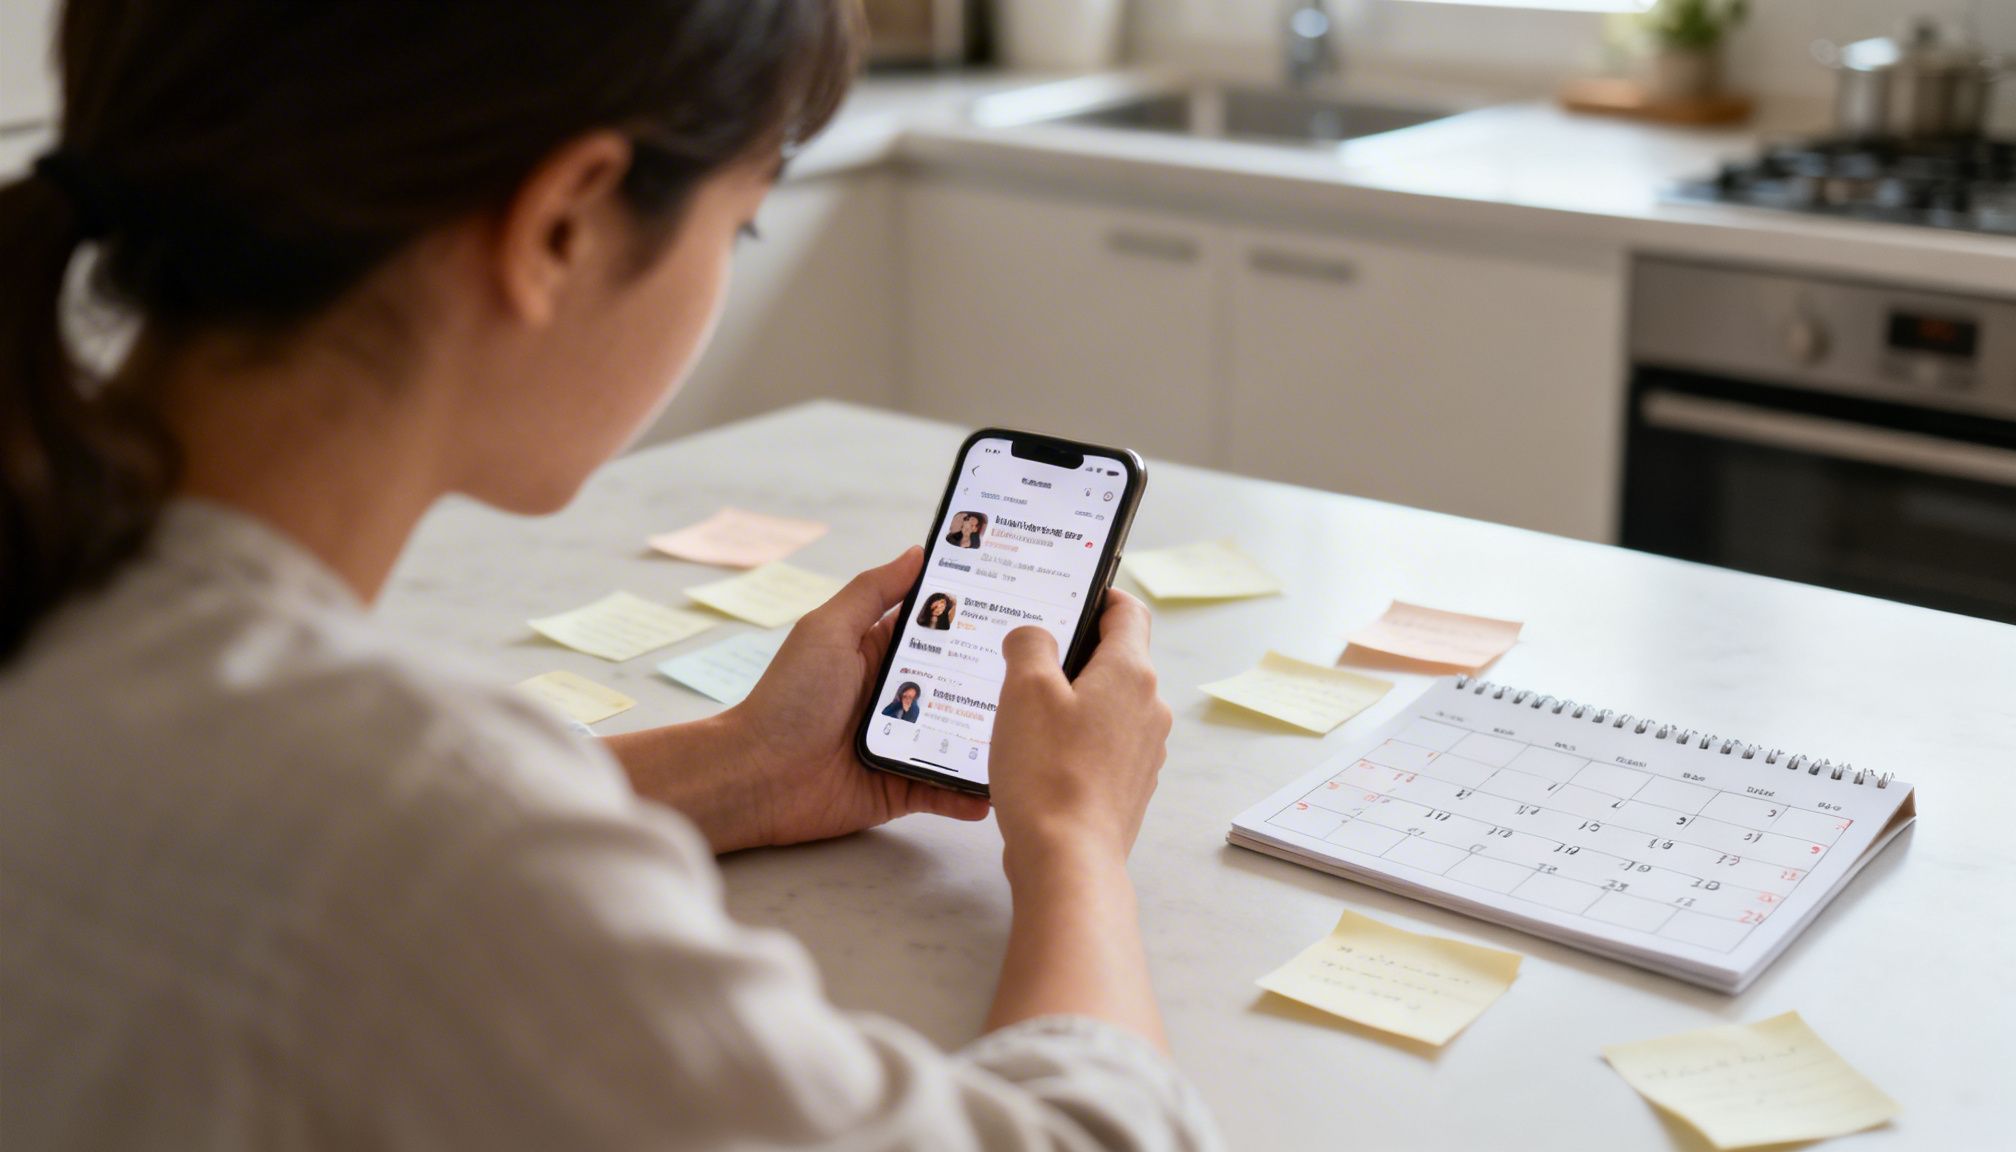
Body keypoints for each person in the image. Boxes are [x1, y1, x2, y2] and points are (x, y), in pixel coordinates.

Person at [0, 3, 1215, 1149]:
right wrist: (1072, 838)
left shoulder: (91, 613)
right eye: (737, 225)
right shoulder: (415, 835)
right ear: (562, 226)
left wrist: (741, 768)